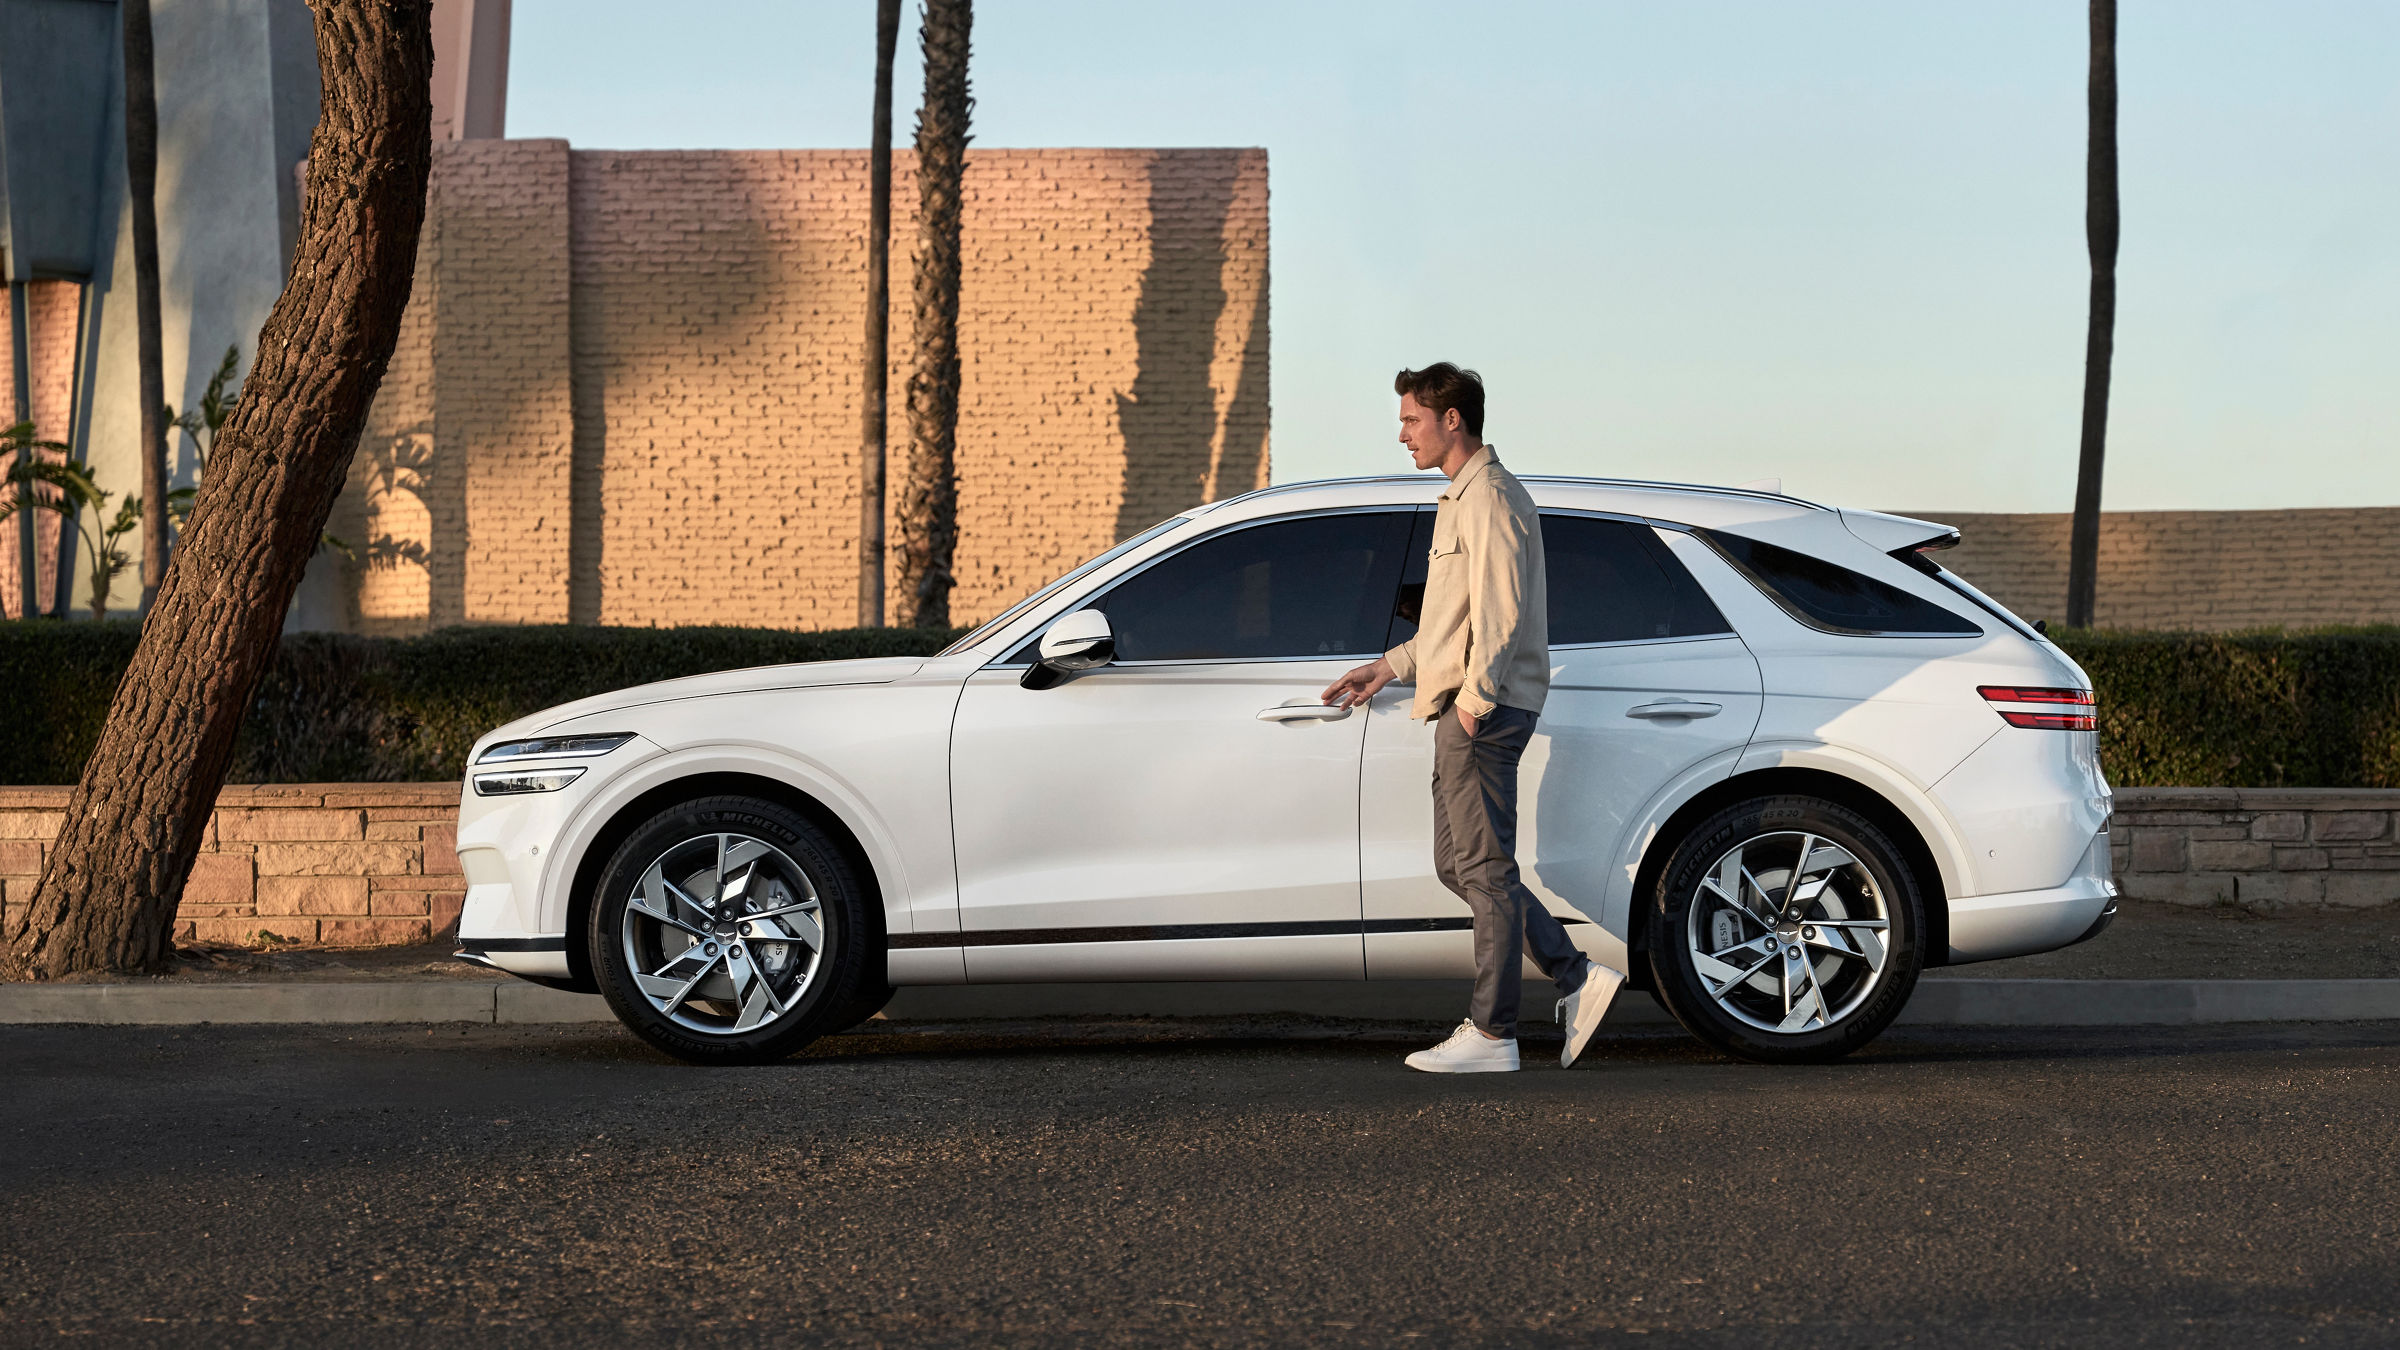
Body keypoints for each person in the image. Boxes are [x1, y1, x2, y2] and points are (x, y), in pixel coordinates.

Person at [1322, 363, 1624, 1073]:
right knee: (1459, 864)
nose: (1403, 435)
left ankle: (1493, 1034)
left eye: (1411, 420)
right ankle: (1577, 977)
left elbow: (1504, 614)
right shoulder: (1463, 498)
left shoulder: (1490, 497)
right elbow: (1455, 619)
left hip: (1482, 711)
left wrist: (1474, 705)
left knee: (1484, 869)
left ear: (1451, 418)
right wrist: (1391, 666)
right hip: (1464, 705)